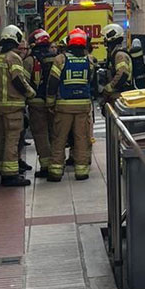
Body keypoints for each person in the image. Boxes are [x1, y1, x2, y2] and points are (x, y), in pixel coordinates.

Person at [0, 25, 36, 187]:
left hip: (0, 106)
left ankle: (3, 168)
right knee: (12, 140)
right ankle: (10, 175)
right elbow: (18, 80)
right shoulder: (13, 57)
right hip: (13, 106)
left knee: (2, 139)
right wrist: (31, 93)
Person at [49, 28, 96, 181]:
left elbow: (53, 82)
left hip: (64, 105)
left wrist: (50, 101)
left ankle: (56, 171)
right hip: (83, 105)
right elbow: (91, 81)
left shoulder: (60, 59)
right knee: (81, 138)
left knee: (60, 138)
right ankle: (81, 171)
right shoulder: (89, 60)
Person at [25, 29, 59, 179]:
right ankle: (57, 163)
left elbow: (24, 82)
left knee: (40, 134)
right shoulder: (57, 59)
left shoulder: (30, 60)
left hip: (36, 102)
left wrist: (28, 96)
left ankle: (45, 165)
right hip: (54, 102)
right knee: (54, 133)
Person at [99, 23, 133, 106]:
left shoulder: (119, 55)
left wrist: (109, 88)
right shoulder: (115, 54)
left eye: (105, 38)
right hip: (117, 94)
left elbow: (123, 74)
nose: (104, 40)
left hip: (120, 94)